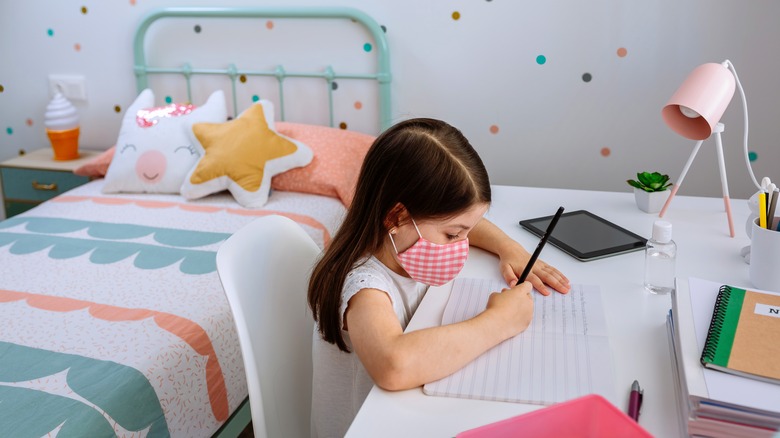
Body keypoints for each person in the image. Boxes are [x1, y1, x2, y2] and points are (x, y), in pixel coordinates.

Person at [308, 118, 570, 437]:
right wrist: (499, 321)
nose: (462, 243)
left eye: (465, 232)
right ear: (397, 216)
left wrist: (508, 247)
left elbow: (467, 222)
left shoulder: (402, 241)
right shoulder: (363, 285)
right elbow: (394, 365)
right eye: (452, 235)